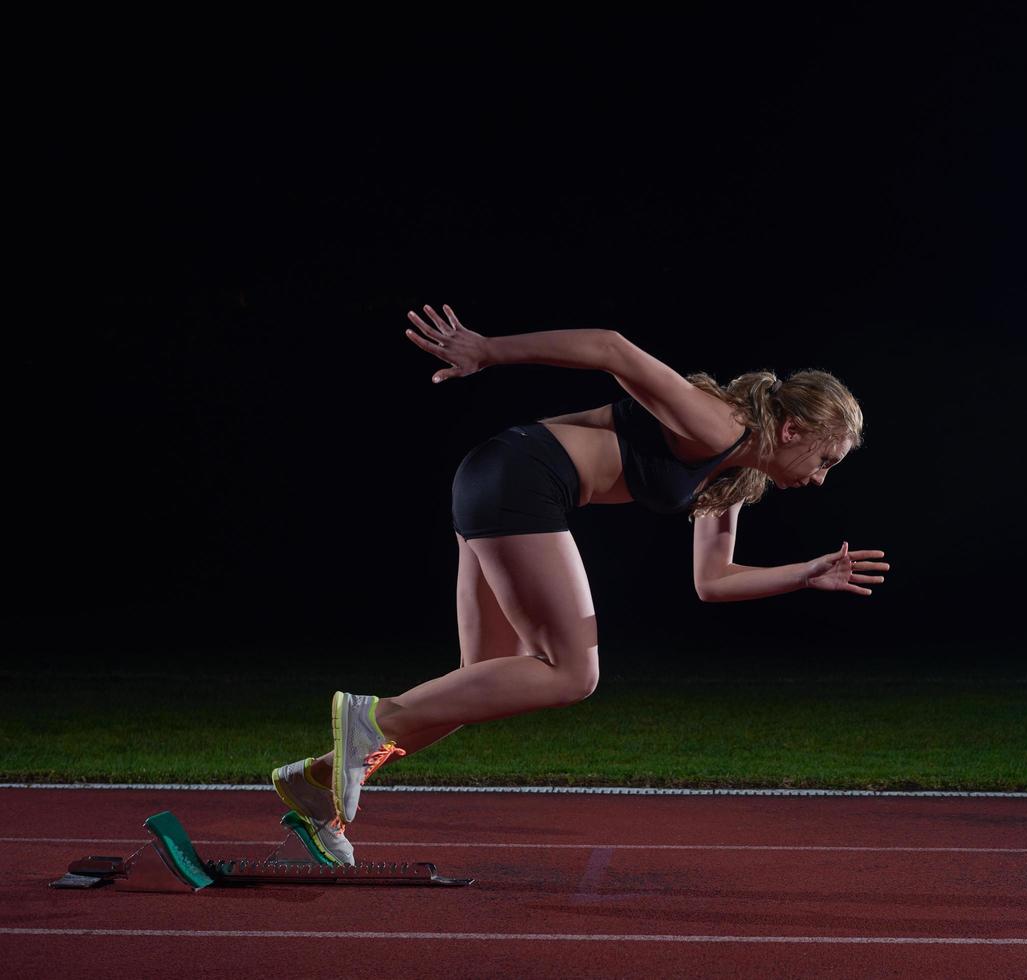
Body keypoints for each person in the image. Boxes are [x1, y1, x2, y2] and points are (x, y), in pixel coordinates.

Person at [269, 304, 890, 866]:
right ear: (792, 431)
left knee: (475, 686)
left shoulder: (735, 476)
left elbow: (714, 581)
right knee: (573, 672)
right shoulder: (719, 424)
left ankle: (315, 785)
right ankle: (368, 717)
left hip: (495, 479)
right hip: (521, 480)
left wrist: (807, 573)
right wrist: (487, 349)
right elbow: (612, 347)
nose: (820, 479)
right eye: (826, 460)